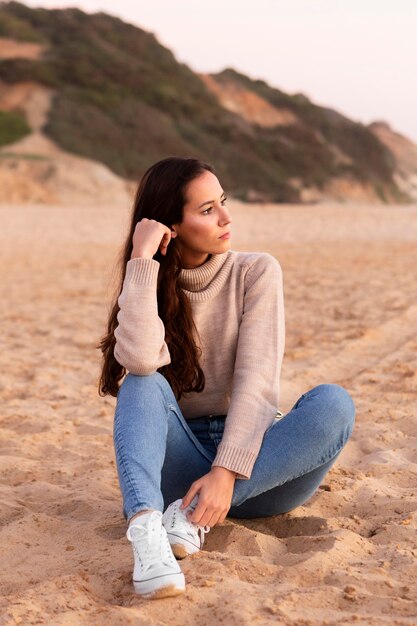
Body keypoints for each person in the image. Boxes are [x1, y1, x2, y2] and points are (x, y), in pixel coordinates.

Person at [98, 156, 355, 600]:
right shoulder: (148, 282)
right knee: (142, 381)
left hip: (260, 469)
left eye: (223, 202)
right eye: (206, 210)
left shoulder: (255, 271)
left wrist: (226, 473)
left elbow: (257, 384)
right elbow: (139, 360)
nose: (226, 217)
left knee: (334, 403)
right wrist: (142, 260)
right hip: (179, 467)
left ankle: (186, 516)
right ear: (170, 225)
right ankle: (146, 530)